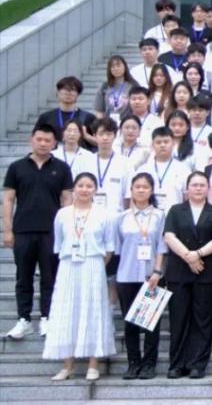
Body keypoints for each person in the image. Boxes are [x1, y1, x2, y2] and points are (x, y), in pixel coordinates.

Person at [43, 173, 117, 381]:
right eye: (81, 185)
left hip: (93, 264)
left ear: (95, 190)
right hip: (68, 265)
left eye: (89, 186)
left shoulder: (104, 214)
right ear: (74, 188)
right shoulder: (63, 214)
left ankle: (93, 364)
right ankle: (67, 366)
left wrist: (97, 266)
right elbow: (58, 244)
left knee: (94, 311)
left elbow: (109, 247)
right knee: (66, 311)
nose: (85, 189)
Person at [3, 124, 73, 340]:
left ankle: (47, 318)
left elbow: (67, 200)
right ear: (31, 140)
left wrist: (67, 231)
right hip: (23, 230)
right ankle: (23, 319)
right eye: (39, 139)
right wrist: (7, 230)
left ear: (54, 143)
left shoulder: (62, 168)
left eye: (47, 140)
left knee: (49, 277)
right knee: (23, 277)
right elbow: (8, 199)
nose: (43, 143)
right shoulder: (16, 167)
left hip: (52, 232)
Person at [162, 171, 212, 379]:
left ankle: (198, 364)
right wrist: (188, 257)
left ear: (208, 188)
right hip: (179, 271)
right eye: (194, 185)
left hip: (205, 270)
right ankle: (177, 364)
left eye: (202, 185)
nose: (198, 188)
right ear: (187, 188)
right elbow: (169, 236)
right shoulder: (175, 210)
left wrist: (197, 254)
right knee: (178, 318)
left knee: (202, 319)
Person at [113, 173, 167, 380]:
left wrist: (157, 271)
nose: (141, 190)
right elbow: (118, 248)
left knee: (151, 322)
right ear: (131, 190)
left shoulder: (160, 216)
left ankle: (149, 364)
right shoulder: (122, 217)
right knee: (130, 323)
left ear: (151, 191)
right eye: (137, 187)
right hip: (126, 275)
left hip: (150, 276)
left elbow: (161, 246)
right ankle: (133, 363)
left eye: (145, 187)